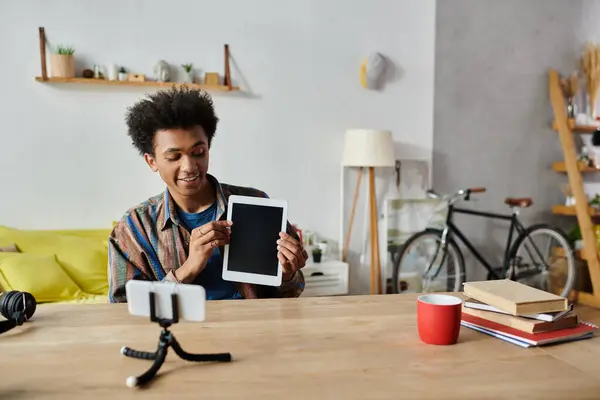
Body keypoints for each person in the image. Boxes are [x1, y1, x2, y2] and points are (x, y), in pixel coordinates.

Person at [107, 87, 307, 302]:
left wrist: (288, 274)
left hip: (251, 329)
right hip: (180, 334)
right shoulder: (134, 229)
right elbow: (123, 310)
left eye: (198, 153)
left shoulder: (257, 204)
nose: (189, 167)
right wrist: (189, 269)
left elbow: (292, 291)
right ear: (152, 161)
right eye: (174, 157)